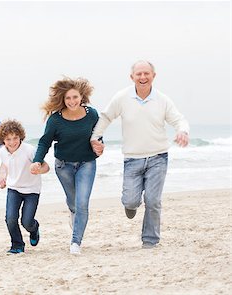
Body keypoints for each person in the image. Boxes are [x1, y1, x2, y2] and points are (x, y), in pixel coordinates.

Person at [90, 60, 189, 249]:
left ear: (153, 75)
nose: (143, 77)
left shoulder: (162, 100)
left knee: (153, 201)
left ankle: (150, 241)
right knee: (131, 200)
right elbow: (106, 117)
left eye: (146, 74)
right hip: (132, 159)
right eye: (139, 74)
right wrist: (96, 138)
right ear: (132, 77)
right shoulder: (122, 97)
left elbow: (178, 119)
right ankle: (131, 205)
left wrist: (183, 131)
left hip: (158, 157)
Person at [30, 77, 100, 255]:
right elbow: (44, 142)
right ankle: (72, 213)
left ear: (81, 96)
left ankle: (76, 242)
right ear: (63, 99)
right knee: (73, 203)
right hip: (64, 166)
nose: (72, 101)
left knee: (82, 203)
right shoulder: (55, 120)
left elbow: (98, 137)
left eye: (75, 97)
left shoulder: (92, 114)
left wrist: (99, 146)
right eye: (68, 98)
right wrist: (37, 161)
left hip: (87, 163)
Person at [0, 120, 50, 254]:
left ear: (20, 136)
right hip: (14, 189)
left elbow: (46, 167)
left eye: (15, 138)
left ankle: (34, 228)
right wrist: (2, 177)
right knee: (10, 219)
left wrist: (39, 170)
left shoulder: (29, 150)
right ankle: (17, 245)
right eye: (8, 139)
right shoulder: (3, 152)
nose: (12, 142)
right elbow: (4, 165)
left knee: (26, 222)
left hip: (32, 190)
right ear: (3, 140)